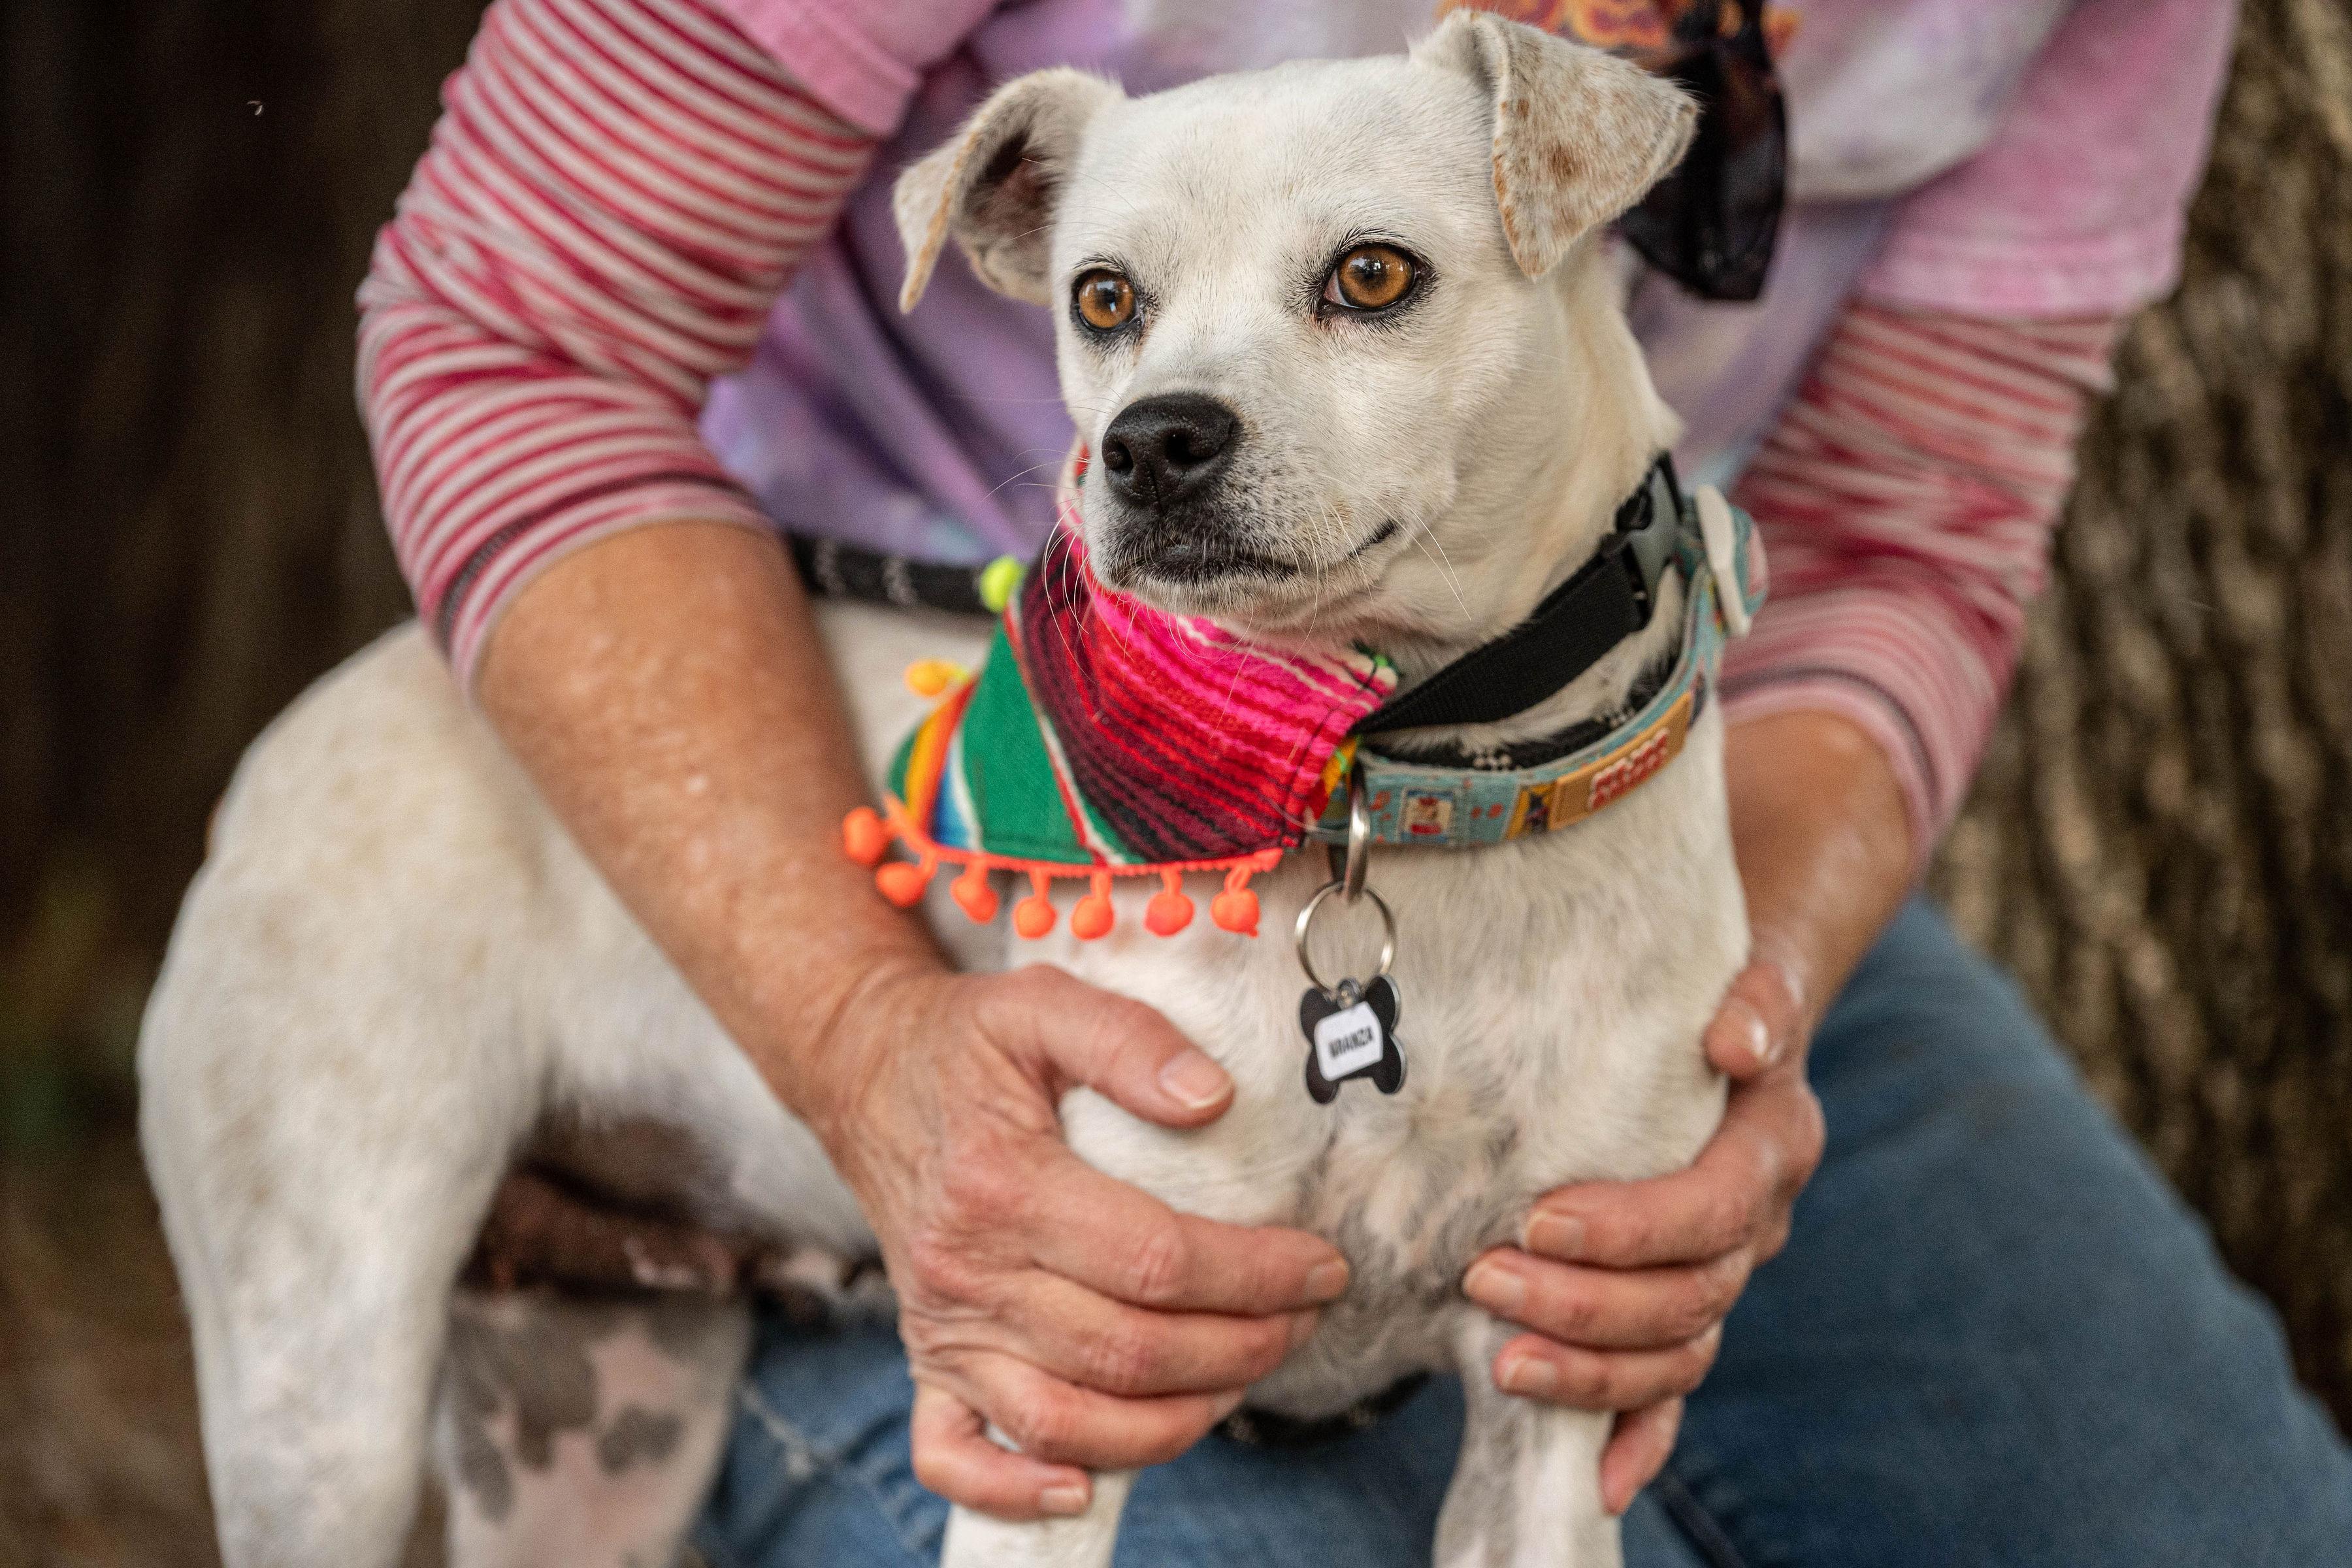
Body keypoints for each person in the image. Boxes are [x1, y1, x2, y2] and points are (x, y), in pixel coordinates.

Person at [357, 0, 2352, 1561]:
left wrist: (1741, 1023)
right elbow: (504, 334)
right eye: (1112, 312)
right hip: (912, 834)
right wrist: (861, 1035)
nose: (1162, 411)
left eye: (1367, 281)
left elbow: (1903, 532)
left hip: (1641, 821)